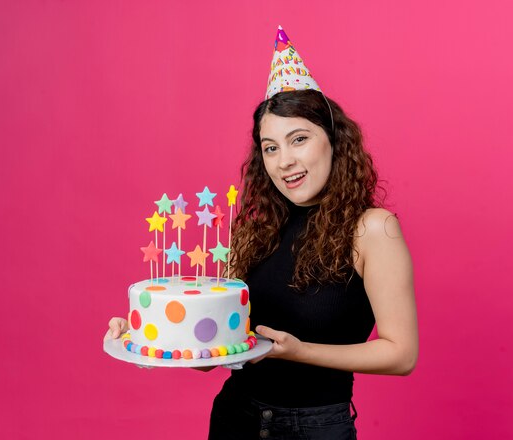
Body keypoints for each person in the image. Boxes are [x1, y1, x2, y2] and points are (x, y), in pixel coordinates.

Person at [107, 27, 418, 440]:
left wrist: (298, 351)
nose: (285, 160)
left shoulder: (372, 229)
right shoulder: (255, 228)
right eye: (270, 147)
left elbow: (401, 354)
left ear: (334, 141)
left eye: (299, 139)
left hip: (314, 428)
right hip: (235, 417)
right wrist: (150, 334)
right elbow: (215, 352)